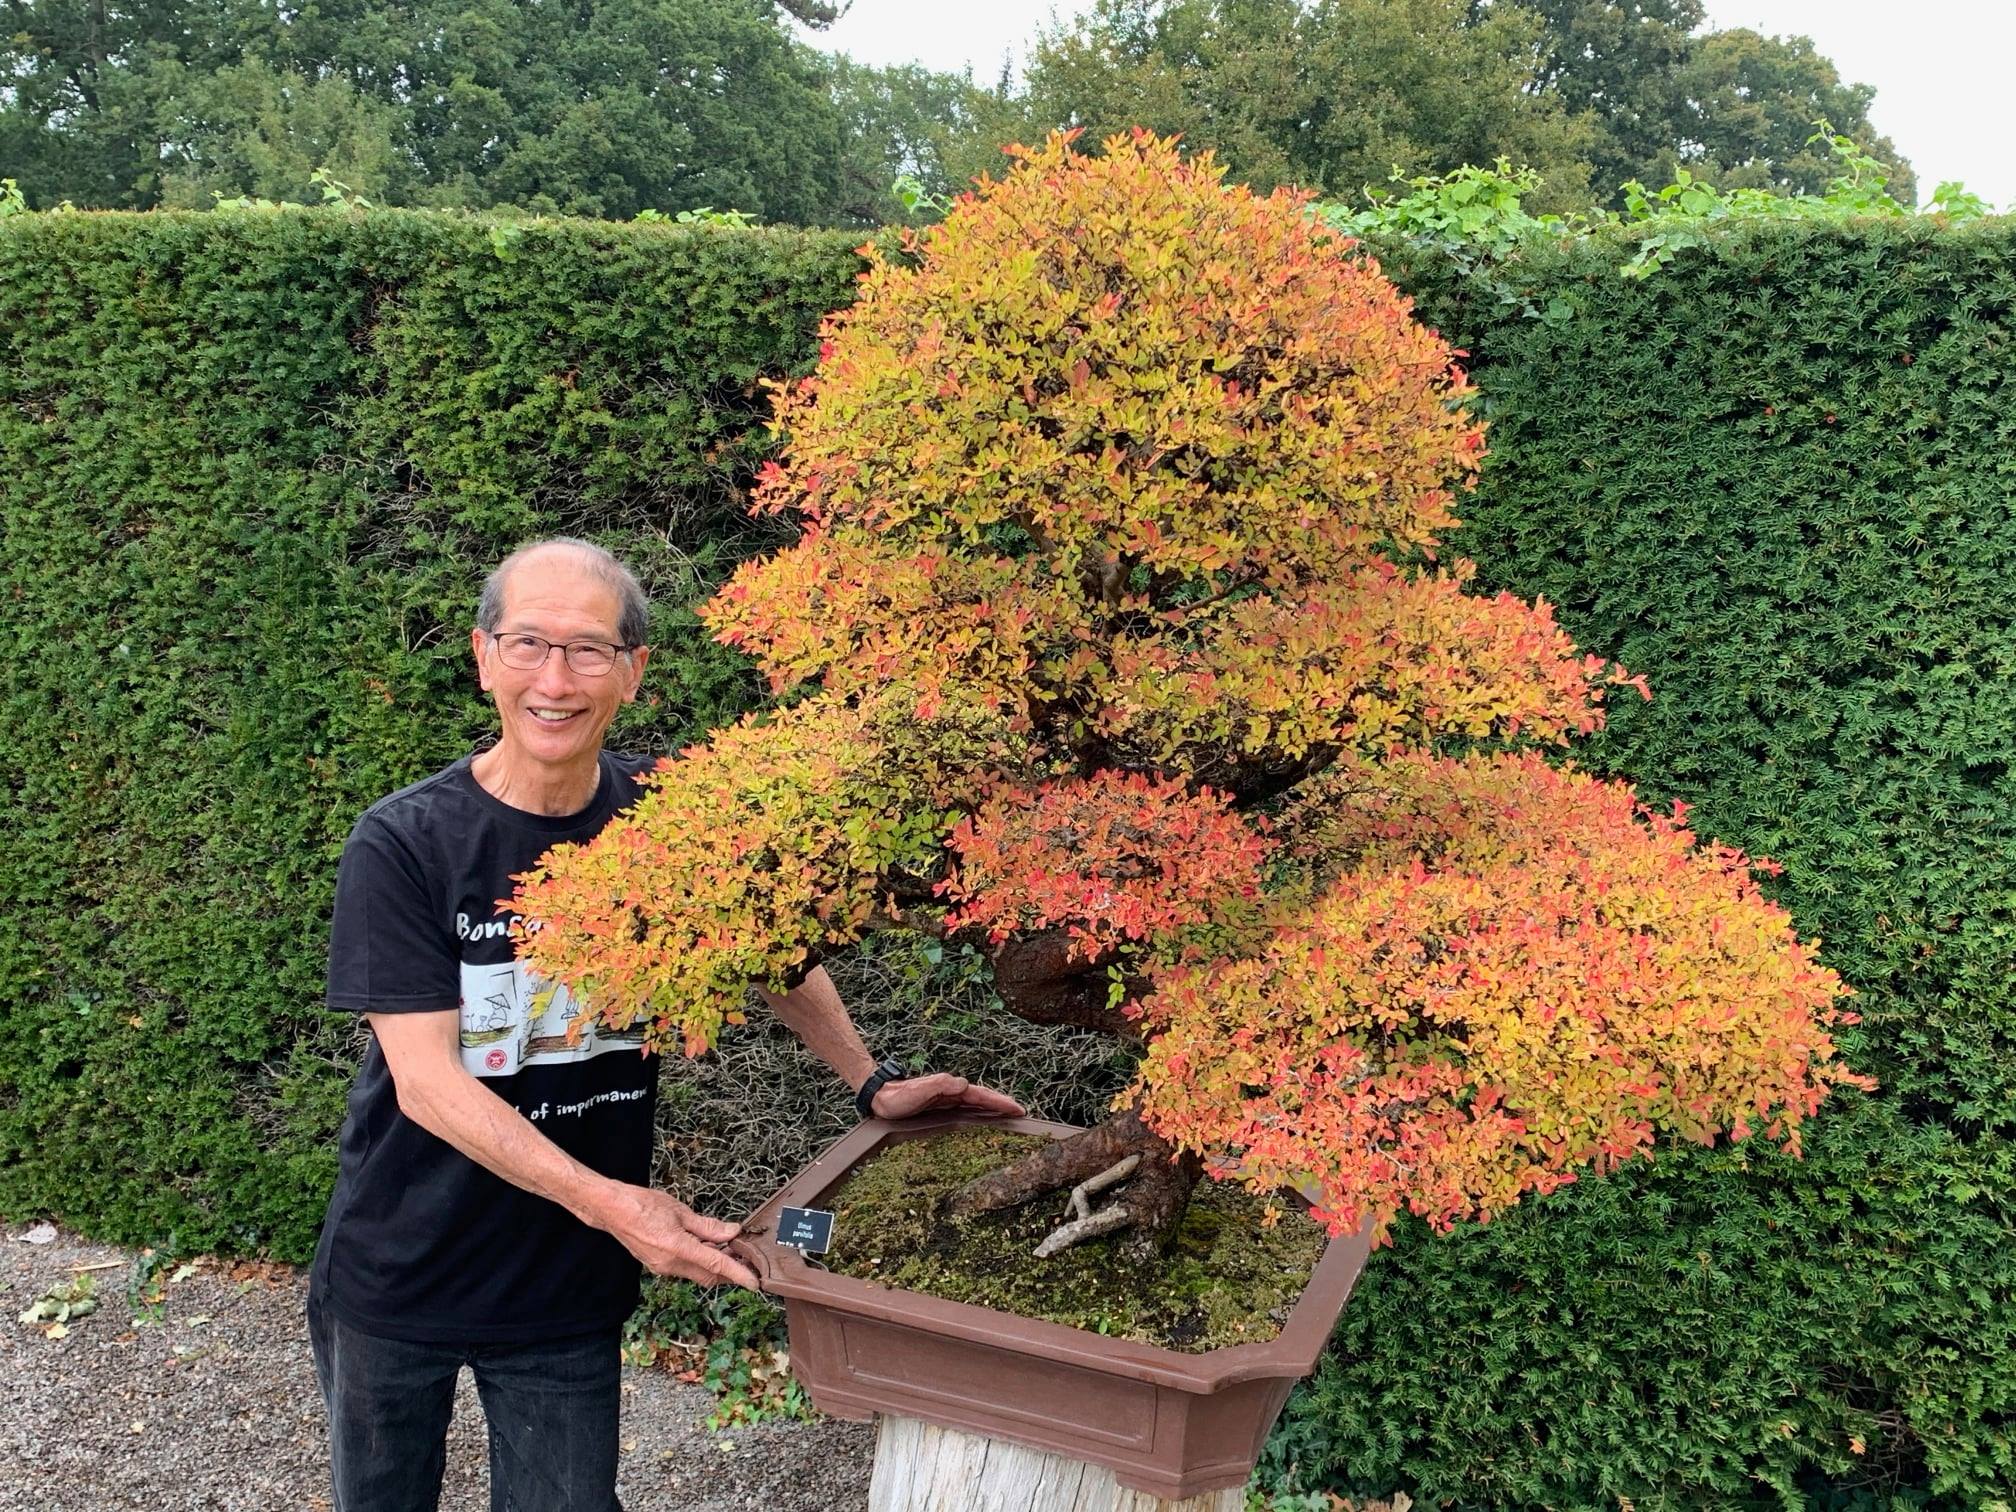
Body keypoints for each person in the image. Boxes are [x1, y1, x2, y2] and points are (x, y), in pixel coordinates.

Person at [307, 538, 1022, 1511]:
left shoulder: (669, 815)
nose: (555, 679)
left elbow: (775, 951)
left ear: (634, 672)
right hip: (400, 1272)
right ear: (483, 658)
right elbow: (429, 1085)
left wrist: (871, 1081)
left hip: (562, 1292)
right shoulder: (406, 844)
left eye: (590, 650)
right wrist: (615, 1204)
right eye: (527, 644)